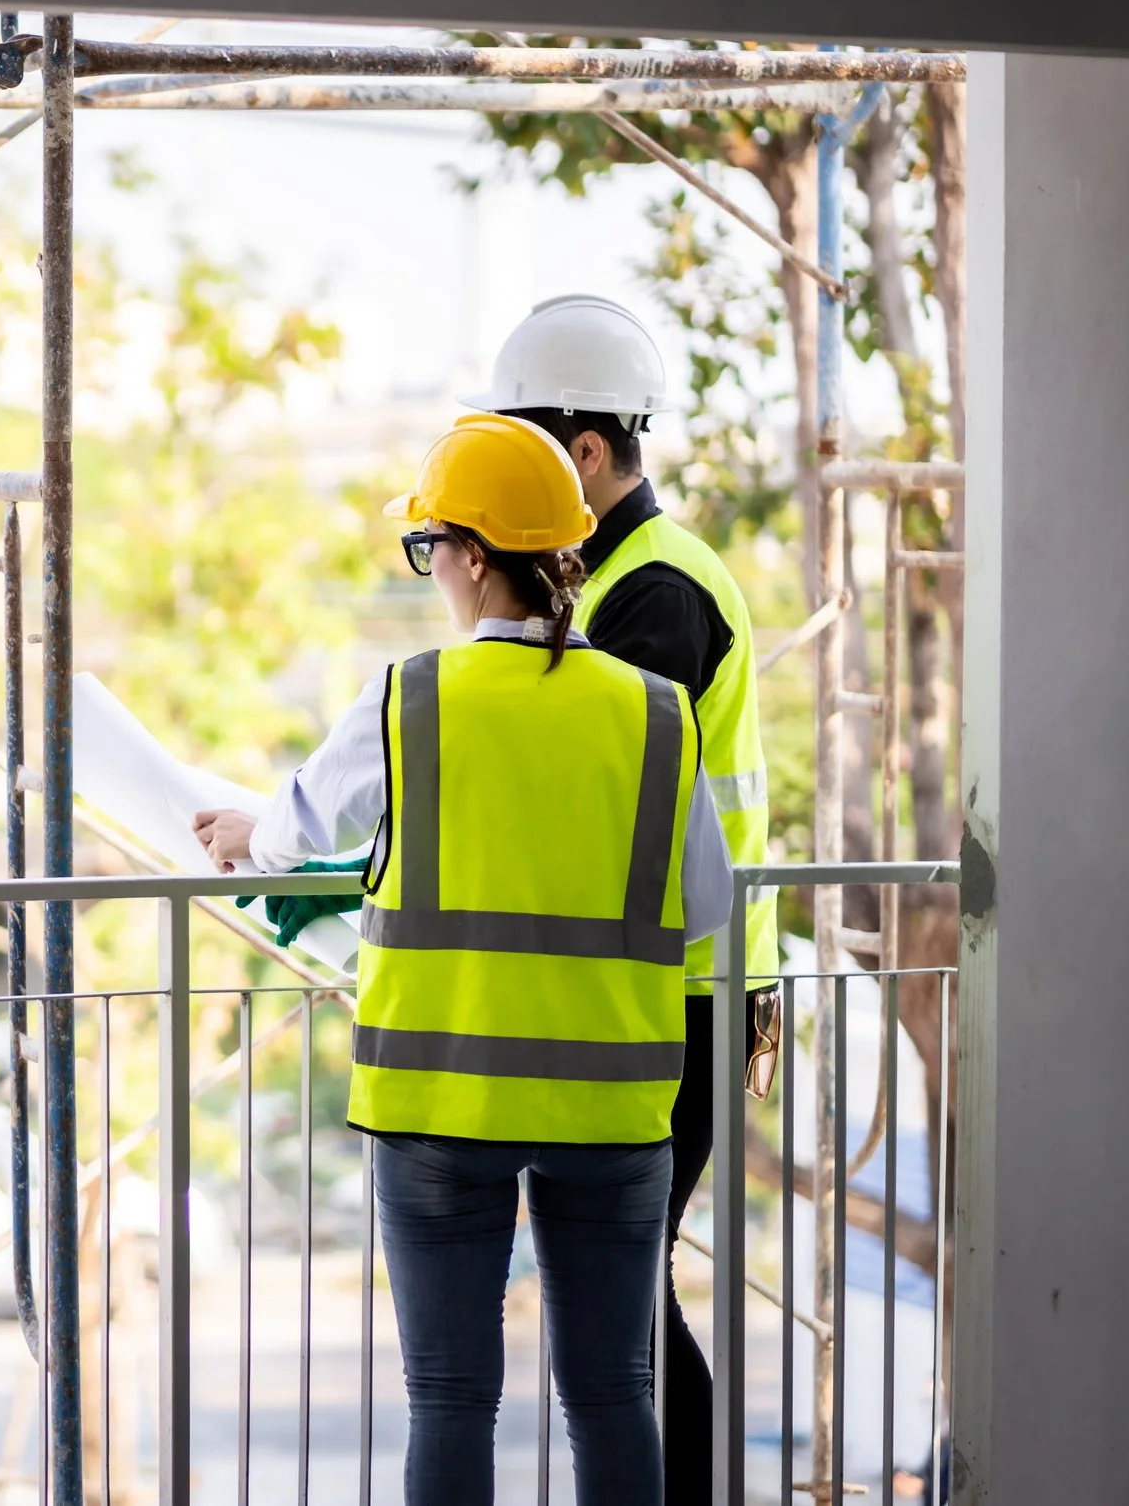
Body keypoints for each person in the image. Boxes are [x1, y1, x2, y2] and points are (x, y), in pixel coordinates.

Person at [193, 412, 733, 1506]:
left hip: (442, 1095)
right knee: (611, 1390)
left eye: (426, 545)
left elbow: (295, 824)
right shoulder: (655, 713)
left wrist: (249, 834)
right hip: (612, 1104)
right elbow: (710, 903)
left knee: (449, 1397)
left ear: (474, 556)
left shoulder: (412, 698)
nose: (428, 566)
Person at [465, 293, 780, 1505]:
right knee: (620, 1287)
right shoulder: (626, 578)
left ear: (586, 454)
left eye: (528, 459)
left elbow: (590, 789)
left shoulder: (652, 595)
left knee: (621, 1290)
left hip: (680, 993)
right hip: (665, 986)